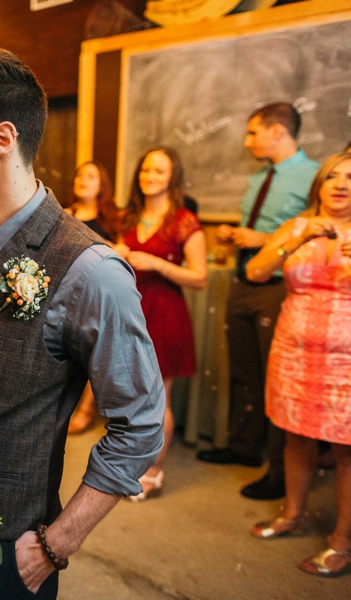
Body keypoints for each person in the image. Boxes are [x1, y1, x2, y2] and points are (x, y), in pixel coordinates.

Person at [0, 47, 165, 599]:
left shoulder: (91, 271)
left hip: (6, 553)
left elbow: (140, 424)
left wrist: (59, 542)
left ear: (1, 139)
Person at [196, 103, 319, 501]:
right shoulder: (259, 178)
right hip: (243, 280)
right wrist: (239, 236)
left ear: (278, 130)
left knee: (276, 378)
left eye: (253, 133)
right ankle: (243, 447)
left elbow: (318, 234)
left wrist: (262, 240)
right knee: (245, 370)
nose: (247, 142)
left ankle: (280, 470)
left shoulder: (316, 176)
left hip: (280, 287)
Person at [245, 153, 351, 577]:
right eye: (332, 177)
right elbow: (255, 270)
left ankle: (343, 541)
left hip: (346, 357)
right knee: (297, 437)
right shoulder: (297, 225)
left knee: (346, 448)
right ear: (319, 185)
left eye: (350, 178)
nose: (340, 184)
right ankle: (294, 514)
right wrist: (297, 239)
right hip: (294, 348)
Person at [115, 147, 208, 501]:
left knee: (157, 398)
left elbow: (200, 277)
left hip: (165, 313)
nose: (149, 176)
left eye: (158, 171)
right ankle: (131, 461)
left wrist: (157, 263)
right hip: (131, 311)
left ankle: (155, 469)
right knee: (128, 395)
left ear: (172, 177)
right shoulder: (130, 216)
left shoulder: (183, 219)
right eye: (145, 170)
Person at [60, 161, 120, 435]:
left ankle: (87, 409)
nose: (83, 179)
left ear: (102, 185)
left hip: (96, 292)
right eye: (79, 174)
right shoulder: (62, 214)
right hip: (63, 288)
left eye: (91, 176)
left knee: (95, 348)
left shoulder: (113, 220)